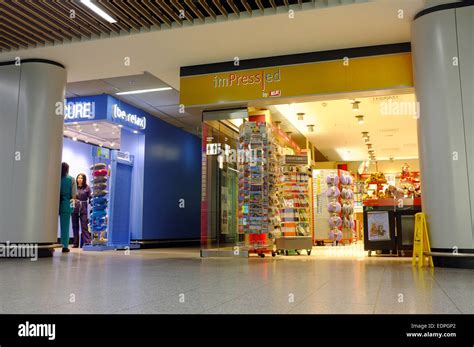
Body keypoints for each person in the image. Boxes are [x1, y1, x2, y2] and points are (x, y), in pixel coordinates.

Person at [59, 162, 76, 253]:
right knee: (65, 227)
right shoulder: (71, 179)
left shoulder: (56, 178)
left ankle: (49, 245)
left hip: (55, 204)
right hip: (66, 205)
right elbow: (73, 195)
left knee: (51, 226)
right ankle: (65, 246)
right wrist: (72, 208)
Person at [72, 173, 91, 248]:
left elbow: (90, 197)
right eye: (78, 178)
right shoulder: (74, 187)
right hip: (74, 208)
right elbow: (71, 197)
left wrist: (92, 204)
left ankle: (87, 242)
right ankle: (75, 243)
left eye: (81, 178)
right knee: (75, 226)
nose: (79, 179)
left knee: (84, 225)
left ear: (84, 179)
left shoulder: (87, 188)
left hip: (83, 208)